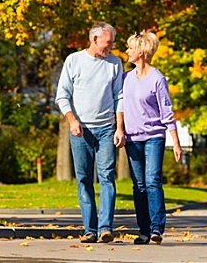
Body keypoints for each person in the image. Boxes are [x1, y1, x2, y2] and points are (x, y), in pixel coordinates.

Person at [55, 22, 125, 244]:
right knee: (84, 178)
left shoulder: (115, 63)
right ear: (95, 39)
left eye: (112, 42)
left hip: (106, 129)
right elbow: (62, 95)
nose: (111, 46)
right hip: (80, 130)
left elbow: (119, 97)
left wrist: (119, 128)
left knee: (106, 177)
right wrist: (72, 121)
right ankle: (89, 229)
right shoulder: (74, 61)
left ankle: (105, 228)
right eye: (108, 42)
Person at [123, 30, 182, 245]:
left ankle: (157, 228)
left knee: (152, 180)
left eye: (131, 47)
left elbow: (167, 112)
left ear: (142, 51)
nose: (127, 51)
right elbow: (119, 106)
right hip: (132, 138)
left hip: (154, 137)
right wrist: (119, 129)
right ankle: (144, 231)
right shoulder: (126, 78)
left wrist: (176, 142)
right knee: (138, 185)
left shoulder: (158, 79)